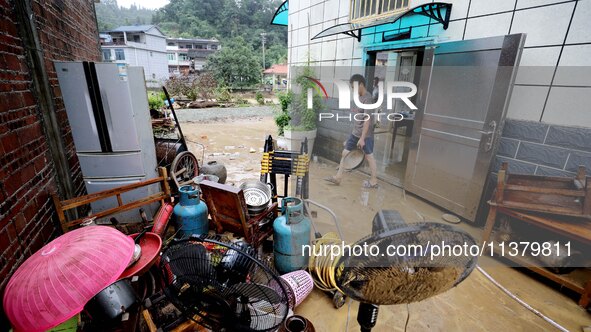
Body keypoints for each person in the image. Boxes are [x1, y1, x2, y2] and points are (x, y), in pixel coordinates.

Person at [325, 74, 378, 188]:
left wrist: (362, 138)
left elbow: (367, 120)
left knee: (369, 157)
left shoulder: (368, 99)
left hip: (366, 135)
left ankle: (374, 181)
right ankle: (338, 178)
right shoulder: (359, 97)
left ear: (361, 85)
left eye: (354, 87)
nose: (353, 90)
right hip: (355, 133)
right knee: (344, 153)